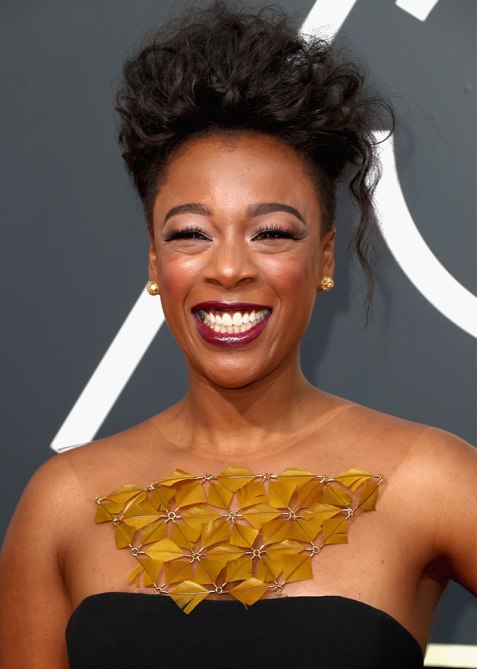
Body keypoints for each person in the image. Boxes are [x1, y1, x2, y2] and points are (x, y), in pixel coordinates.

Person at [0, 2, 475, 667]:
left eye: (271, 232)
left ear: (325, 257)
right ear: (154, 262)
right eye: (190, 233)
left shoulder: (428, 478)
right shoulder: (63, 502)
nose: (228, 268)